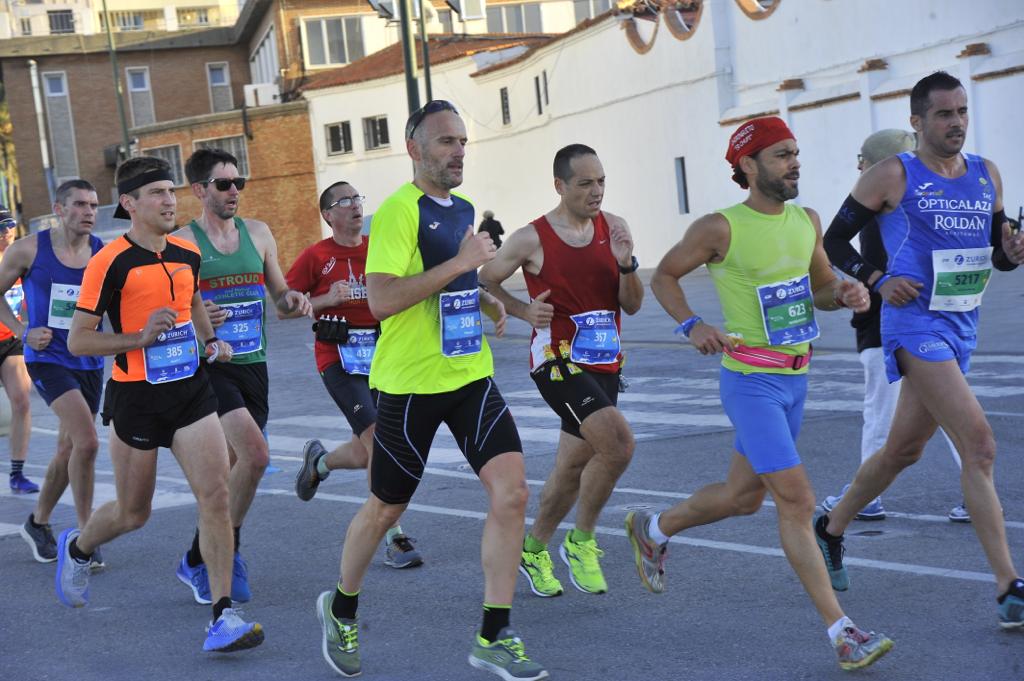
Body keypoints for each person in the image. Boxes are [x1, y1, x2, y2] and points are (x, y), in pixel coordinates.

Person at [628, 116, 893, 670]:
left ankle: (652, 529)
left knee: (743, 496)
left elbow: (819, 287)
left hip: (797, 380)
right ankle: (842, 631)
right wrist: (692, 326)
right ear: (748, 166)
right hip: (751, 383)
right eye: (781, 155)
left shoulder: (806, 220)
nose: (794, 162)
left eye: (796, 152)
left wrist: (845, 293)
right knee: (795, 501)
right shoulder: (719, 227)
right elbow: (665, 277)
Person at [315, 100, 547, 680]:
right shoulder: (397, 212)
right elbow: (383, 300)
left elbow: (455, 278)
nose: (458, 151)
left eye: (463, 141)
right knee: (386, 506)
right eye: (445, 142)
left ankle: (495, 634)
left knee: (512, 493)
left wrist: (489, 298)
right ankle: (341, 606)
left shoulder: (462, 207)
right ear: (415, 149)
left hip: (468, 375)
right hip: (411, 384)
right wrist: (464, 262)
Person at [819, 71, 1024, 628]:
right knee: (979, 445)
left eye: (961, 112)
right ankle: (1010, 585)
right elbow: (835, 240)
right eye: (943, 114)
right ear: (917, 122)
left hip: (963, 324)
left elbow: (998, 254)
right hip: (913, 325)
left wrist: (1011, 250)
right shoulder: (893, 174)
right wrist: (879, 280)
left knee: (901, 452)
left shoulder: (987, 174)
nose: (956, 122)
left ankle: (832, 525)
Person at [56, 155, 264, 653]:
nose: (170, 201)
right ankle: (79, 547)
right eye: (158, 193)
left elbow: (190, 304)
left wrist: (210, 341)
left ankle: (222, 617)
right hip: (136, 399)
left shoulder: (187, 252)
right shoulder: (109, 262)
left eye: (172, 192)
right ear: (129, 204)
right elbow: (79, 342)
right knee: (134, 513)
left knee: (214, 497)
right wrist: (138, 338)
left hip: (191, 390)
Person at [479, 143, 642, 597]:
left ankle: (533, 549)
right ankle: (582, 541)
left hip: (605, 360)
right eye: (586, 183)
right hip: (557, 360)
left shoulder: (616, 228)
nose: (597, 192)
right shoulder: (531, 238)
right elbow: (486, 277)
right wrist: (520, 309)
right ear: (560, 185)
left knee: (573, 466)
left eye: (602, 181)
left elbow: (631, 302)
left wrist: (628, 264)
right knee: (619, 445)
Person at [173, 148, 312, 605]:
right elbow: (170, 313)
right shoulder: (182, 244)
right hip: (211, 368)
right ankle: (226, 553)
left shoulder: (259, 233)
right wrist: (196, 317)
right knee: (255, 456)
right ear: (198, 190)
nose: (234, 191)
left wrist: (299, 301)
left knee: (234, 472)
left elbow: (281, 297)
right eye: (223, 184)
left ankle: (198, 556)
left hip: (254, 365)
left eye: (239, 183)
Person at [820, 130, 971, 523]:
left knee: (879, 413)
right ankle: (976, 488)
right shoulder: (923, 203)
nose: (857, 166)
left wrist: (872, 290)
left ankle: (865, 498)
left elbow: (859, 259)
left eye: (862, 158)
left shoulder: (881, 208)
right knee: (953, 414)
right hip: (939, 323)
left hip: (888, 327)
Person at [287, 180, 422, 569]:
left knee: (368, 451)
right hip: (339, 358)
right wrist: (327, 299)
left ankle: (320, 464)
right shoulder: (316, 256)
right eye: (343, 201)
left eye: (357, 198)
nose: (354, 206)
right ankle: (394, 536)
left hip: (384, 356)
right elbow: (286, 306)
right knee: (379, 439)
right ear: (328, 215)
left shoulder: (378, 246)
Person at [0, 181, 105, 567]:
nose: (89, 211)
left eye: (94, 204)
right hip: (47, 359)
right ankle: (85, 537)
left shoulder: (103, 254)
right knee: (88, 443)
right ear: (59, 209)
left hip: (89, 360)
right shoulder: (29, 249)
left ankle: (37, 522)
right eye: (79, 204)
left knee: (68, 448)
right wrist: (22, 329)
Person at [0, 209, 38, 495]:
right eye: (0, 227)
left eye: (9, 225)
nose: (6, 232)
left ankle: (17, 472)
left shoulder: (20, 257)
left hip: (9, 340)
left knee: (22, 400)